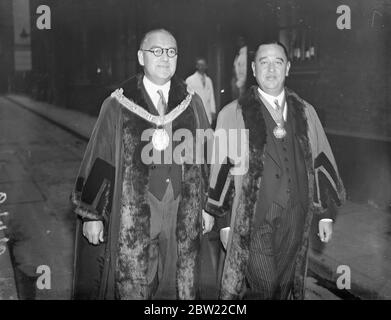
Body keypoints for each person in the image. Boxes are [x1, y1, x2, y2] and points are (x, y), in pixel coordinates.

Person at [71, 29, 214, 300]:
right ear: (141, 56)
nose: (164, 58)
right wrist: (92, 215)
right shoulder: (118, 105)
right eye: (156, 51)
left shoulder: (191, 102)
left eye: (171, 51)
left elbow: (208, 155)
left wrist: (208, 206)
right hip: (134, 210)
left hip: (181, 207)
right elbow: (100, 157)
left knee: (177, 284)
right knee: (135, 283)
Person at [204, 41, 345, 299]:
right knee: (265, 287)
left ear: (288, 67)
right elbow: (220, 171)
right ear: (254, 69)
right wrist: (224, 224)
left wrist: (324, 215)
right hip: (254, 219)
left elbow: (321, 159)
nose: (271, 69)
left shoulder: (306, 112)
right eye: (264, 62)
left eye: (278, 62)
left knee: (283, 286)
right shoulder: (232, 114)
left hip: (296, 213)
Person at [186, 57, 216, 126]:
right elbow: (187, 98)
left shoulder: (209, 80)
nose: (201, 67)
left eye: (203, 65)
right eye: (199, 65)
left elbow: (211, 96)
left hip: (207, 110)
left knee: (206, 131)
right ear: (196, 66)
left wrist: (213, 110)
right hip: (195, 110)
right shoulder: (190, 80)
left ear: (206, 66)